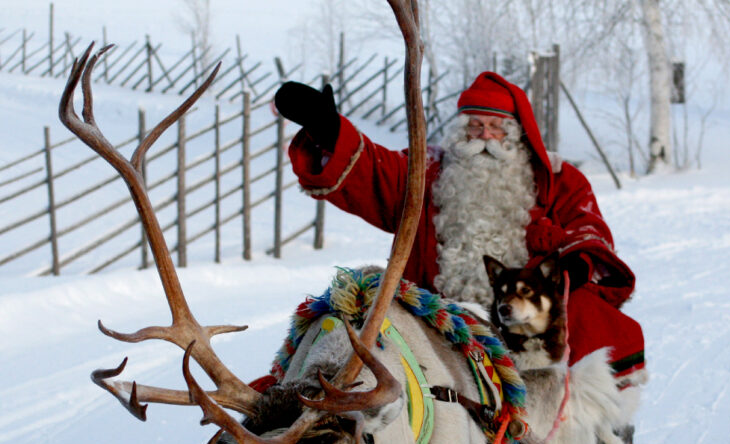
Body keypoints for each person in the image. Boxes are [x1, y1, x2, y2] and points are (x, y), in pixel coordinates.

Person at [273, 72, 646, 389]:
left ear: (514, 134)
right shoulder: (426, 171)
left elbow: (588, 226)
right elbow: (374, 170)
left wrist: (575, 265)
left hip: (528, 319)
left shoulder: (555, 178)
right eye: (475, 125)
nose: (484, 137)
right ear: (460, 129)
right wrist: (328, 127)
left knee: (595, 330)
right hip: (439, 316)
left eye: (496, 127)